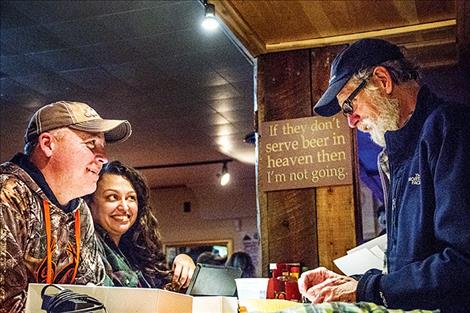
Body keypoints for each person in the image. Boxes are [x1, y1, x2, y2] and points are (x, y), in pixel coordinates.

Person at [298, 38, 470, 312]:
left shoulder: (450, 128)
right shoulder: (396, 156)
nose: (351, 122)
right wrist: (351, 284)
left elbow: (463, 261)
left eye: (348, 107)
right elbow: (409, 266)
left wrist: (367, 289)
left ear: (382, 80)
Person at [0, 101, 132, 312]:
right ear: (47, 144)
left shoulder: (79, 210)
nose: (104, 157)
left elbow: (91, 294)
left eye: (103, 146)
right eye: (90, 143)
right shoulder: (7, 195)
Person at [86, 160, 195, 290]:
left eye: (131, 198)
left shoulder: (136, 250)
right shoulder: (87, 248)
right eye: (112, 197)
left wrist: (184, 261)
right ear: (90, 202)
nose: (124, 207)